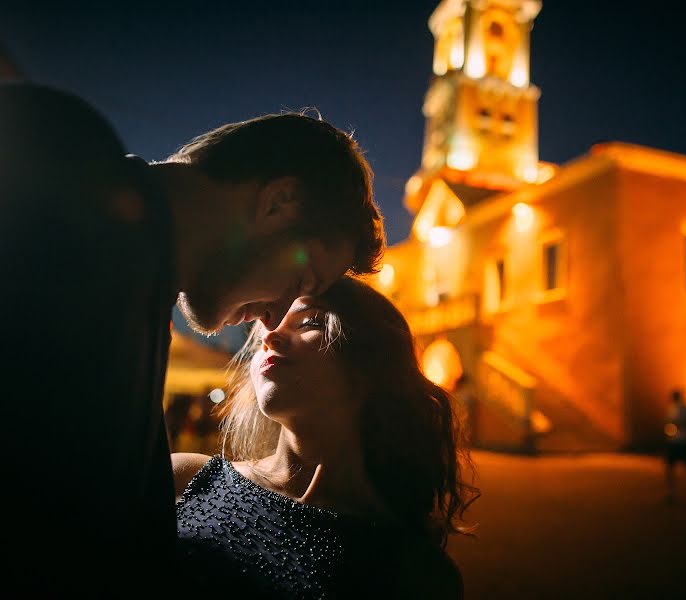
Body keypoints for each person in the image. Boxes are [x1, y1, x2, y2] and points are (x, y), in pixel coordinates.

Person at [0, 83, 384, 592]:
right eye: (300, 280)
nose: (271, 321)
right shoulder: (54, 156)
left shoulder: (141, 307)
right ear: (279, 203)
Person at [172, 277, 478, 598]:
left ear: (371, 364)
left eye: (308, 322)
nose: (271, 336)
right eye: (264, 329)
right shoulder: (183, 478)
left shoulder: (415, 572)